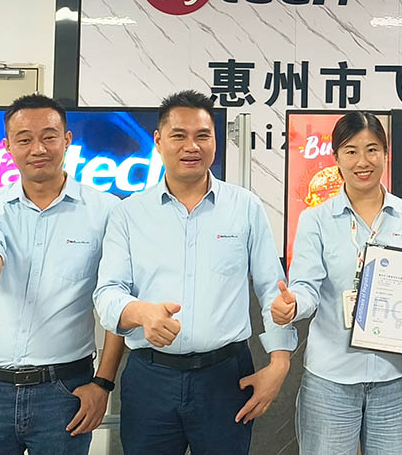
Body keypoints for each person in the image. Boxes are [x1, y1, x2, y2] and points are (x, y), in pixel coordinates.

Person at [94, 90, 296, 455]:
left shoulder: (245, 207)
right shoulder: (128, 213)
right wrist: (142, 313)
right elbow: (108, 292)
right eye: (179, 136)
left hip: (225, 377)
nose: (192, 146)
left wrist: (279, 362)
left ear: (215, 140)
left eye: (203, 135)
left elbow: (273, 289)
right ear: (158, 141)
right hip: (150, 378)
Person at [0, 94, 126, 454]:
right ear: (7, 146)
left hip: (65, 391)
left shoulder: (108, 210)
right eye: (24, 139)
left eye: (49, 137)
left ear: (67, 140)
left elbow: (119, 297)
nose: (38, 149)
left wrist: (103, 384)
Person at [270, 112, 402, 455]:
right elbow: (306, 286)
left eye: (372, 149)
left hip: (395, 378)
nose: (363, 161)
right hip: (331, 379)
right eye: (351, 151)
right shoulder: (316, 219)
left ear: (386, 153)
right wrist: (293, 305)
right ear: (336, 158)